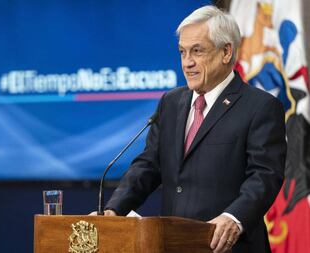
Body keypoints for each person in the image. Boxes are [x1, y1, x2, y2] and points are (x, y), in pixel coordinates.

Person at [102, 5, 286, 253]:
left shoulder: (260, 107)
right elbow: (148, 165)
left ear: (226, 52)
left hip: (227, 246)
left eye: (197, 51)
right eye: (182, 52)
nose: (187, 63)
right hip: (172, 244)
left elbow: (265, 175)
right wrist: (114, 210)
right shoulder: (171, 102)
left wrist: (234, 217)